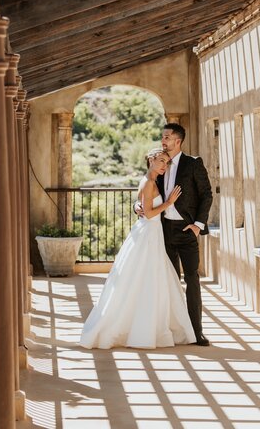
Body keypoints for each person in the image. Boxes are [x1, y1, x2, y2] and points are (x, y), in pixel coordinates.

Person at [80, 148, 196, 349]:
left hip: (153, 233)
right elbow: (150, 214)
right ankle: (139, 329)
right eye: (161, 161)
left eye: (166, 162)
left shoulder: (153, 180)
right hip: (148, 232)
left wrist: (138, 205)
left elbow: (142, 205)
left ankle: (153, 325)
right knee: (141, 277)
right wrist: (169, 203)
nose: (164, 165)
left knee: (152, 278)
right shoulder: (149, 182)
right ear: (151, 160)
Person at [137, 123, 213, 346]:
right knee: (167, 282)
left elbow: (207, 195)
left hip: (186, 230)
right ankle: (170, 329)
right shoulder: (159, 162)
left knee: (192, 279)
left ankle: (196, 332)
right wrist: (136, 206)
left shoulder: (193, 164)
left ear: (178, 141)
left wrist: (198, 224)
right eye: (163, 137)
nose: (163, 141)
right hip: (162, 231)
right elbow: (146, 189)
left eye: (167, 137)